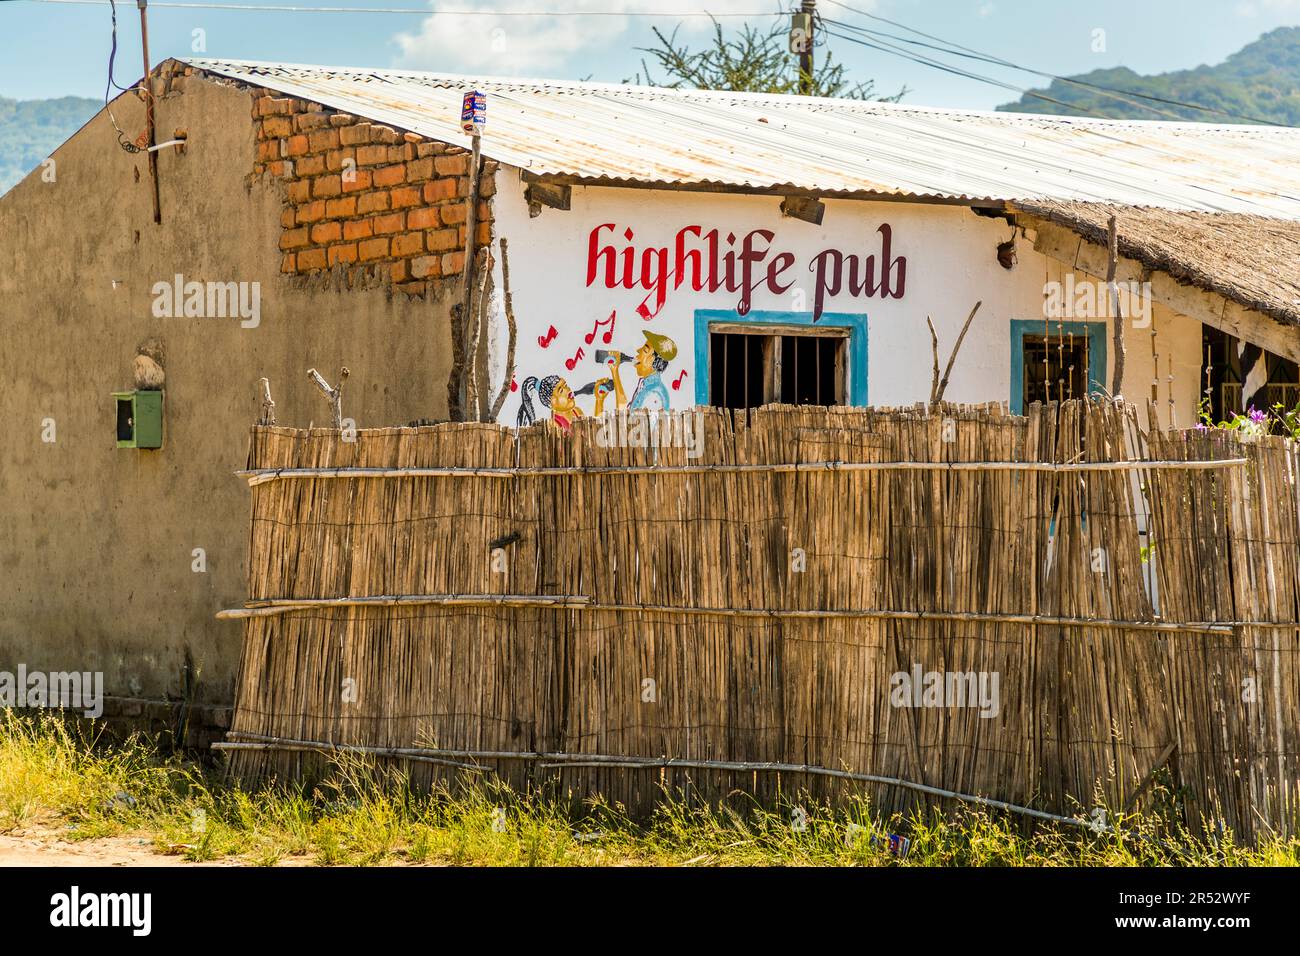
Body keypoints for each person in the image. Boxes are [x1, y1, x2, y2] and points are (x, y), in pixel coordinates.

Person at [609, 330, 677, 412]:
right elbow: (624, 414)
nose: (638, 350)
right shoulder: (646, 386)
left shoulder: (653, 394)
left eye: (645, 350)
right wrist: (614, 371)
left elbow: (629, 422)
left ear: (653, 360)